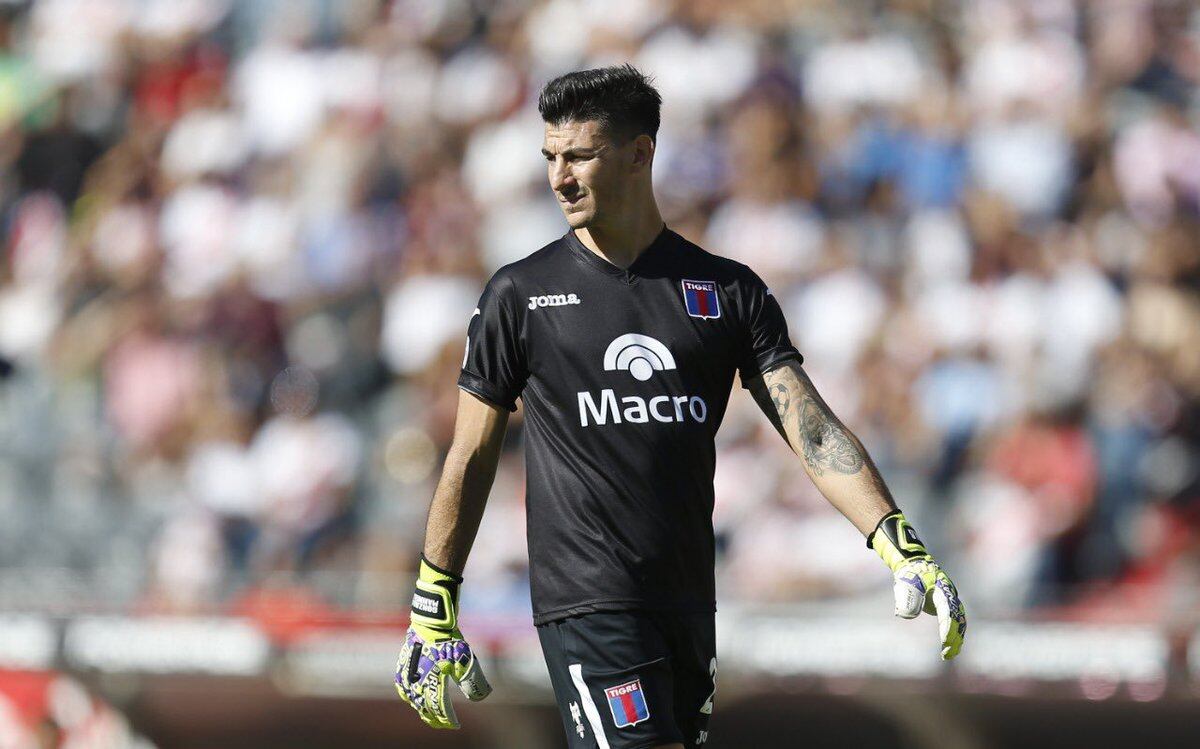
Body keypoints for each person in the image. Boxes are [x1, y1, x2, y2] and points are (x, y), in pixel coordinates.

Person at [394, 64, 966, 748]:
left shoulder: (727, 291)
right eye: (550, 157)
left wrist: (897, 542)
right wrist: (434, 602)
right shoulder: (520, 295)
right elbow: (471, 452)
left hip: (689, 601)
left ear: (640, 154)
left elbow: (810, 431)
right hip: (590, 600)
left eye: (579, 156)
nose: (559, 178)